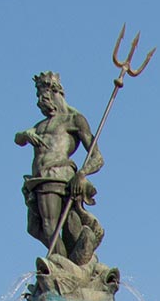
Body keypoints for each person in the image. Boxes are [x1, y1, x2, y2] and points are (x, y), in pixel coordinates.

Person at [15, 72, 104, 265]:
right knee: (36, 227)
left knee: (50, 227)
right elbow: (17, 139)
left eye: (43, 95)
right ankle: (67, 264)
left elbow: (97, 157)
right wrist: (24, 134)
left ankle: (61, 267)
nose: (39, 101)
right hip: (37, 180)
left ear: (55, 92)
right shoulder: (39, 126)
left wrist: (82, 174)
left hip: (56, 176)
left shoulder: (74, 120)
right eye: (38, 96)